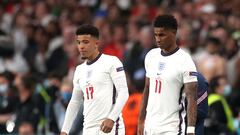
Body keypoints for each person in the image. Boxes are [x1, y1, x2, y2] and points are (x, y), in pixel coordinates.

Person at [60, 24, 129, 135]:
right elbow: (75, 102)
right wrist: (65, 130)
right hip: (88, 128)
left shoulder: (111, 62)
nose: (81, 46)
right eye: (79, 42)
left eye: (85, 42)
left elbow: (124, 93)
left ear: (96, 43)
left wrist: (111, 118)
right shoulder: (79, 70)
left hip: (109, 127)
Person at [138, 15, 198, 135]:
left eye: (162, 35)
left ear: (174, 32)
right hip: (150, 127)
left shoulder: (185, 60)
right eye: (155, 35)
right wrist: (140, 121)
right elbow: (147, 89)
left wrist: (191, 130)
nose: (158, 39)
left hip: (172, 128)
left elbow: (192, 98)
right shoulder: (151, 56)